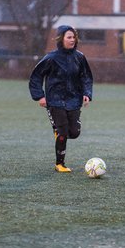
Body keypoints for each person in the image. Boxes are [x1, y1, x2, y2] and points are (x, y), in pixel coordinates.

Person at [29, 25, 93, 173]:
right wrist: (39, 96)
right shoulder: (51, 58)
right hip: (54, 100)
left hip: (73, 100)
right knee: (63, 132)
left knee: (74, 133)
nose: (72, 40)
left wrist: (87, 93)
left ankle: (59, 132)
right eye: (68, 37)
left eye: (73, 37)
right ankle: (60, 164)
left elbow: (86, 77)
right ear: (61, 39)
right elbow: (36, 76)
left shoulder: (80, 57)